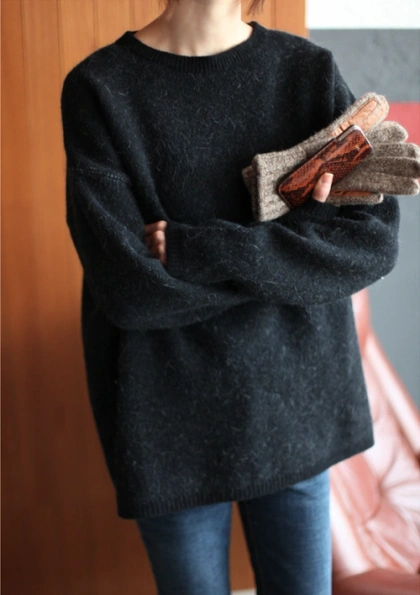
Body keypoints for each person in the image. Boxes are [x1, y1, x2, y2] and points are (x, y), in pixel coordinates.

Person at [60, 0, 401, 593]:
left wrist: (198, 250)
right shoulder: (101, 87)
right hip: (169, 424)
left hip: (296, 410)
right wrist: (291, 259)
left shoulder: (305, 72)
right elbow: (130, 291)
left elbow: (371, 244)